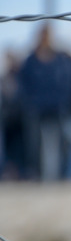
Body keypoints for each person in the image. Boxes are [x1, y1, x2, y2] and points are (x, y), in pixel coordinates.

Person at [18, 24, 71, 181]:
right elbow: (23, 86)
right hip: (36, 109)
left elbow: (68, 82)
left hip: (58, 109)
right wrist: (28, 104)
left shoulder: (60, 60)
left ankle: (59, 176)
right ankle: (37, 175)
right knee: (34, 145)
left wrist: (66, 102)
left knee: (61, 144)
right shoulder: (30, 61)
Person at [1, 49, 25, 179]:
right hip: (8, 120)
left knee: (19, 149)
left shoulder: (21, 76)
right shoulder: (5, 77)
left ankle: (19, 172)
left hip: (20, 119)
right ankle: (11, 172)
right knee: (9, 149)